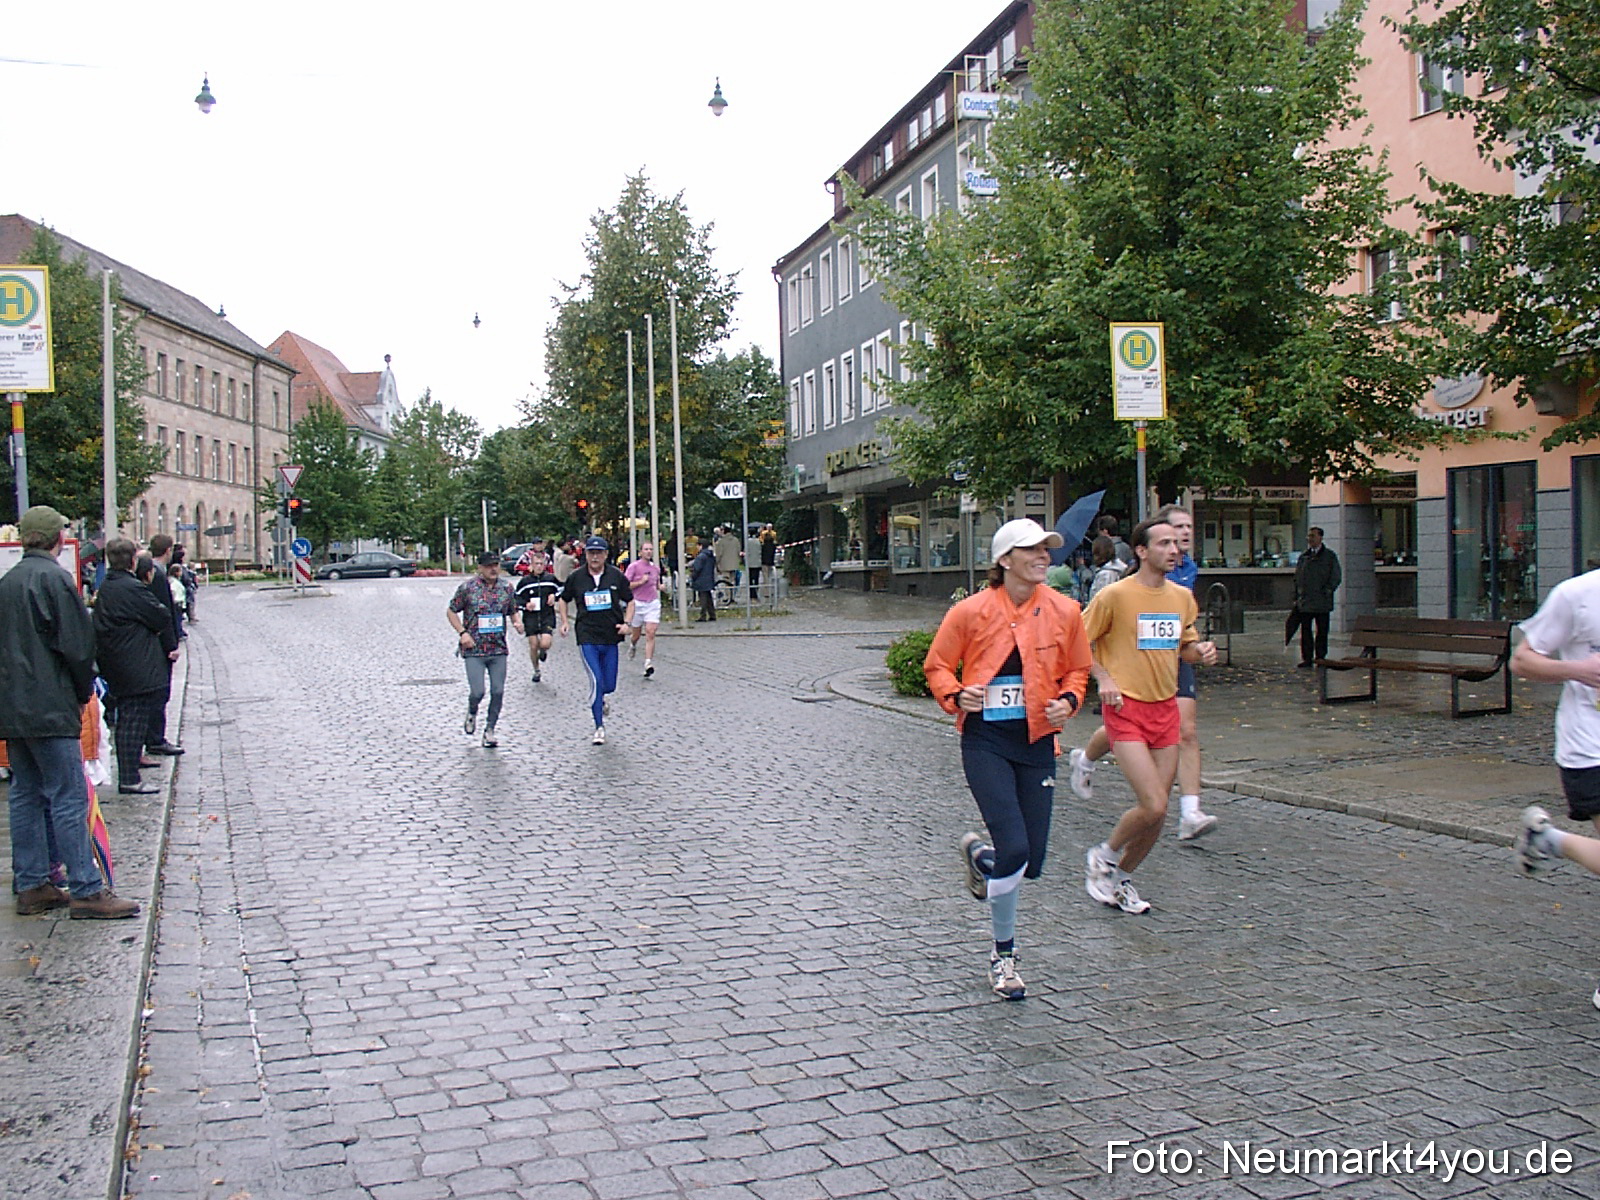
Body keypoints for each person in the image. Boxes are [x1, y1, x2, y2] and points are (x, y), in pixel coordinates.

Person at [924, 519, 1091, 1000]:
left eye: (1046, 549)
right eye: (1032, 550)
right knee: (1015, 847)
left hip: (1037, 744)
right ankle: (1004, 957)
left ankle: (982, 858)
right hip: (986, 743)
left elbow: (1078, 669)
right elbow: (937, 665)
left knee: (1030, 862)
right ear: (1004, 560)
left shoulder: (1065, 610)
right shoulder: (970, 612)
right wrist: (957, 695)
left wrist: (1069, 701)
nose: (1043, 557)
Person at [1, 506, 139, 919]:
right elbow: (78, 647)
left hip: (14, 708)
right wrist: (84, 693)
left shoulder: (7, 582)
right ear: (57, 540)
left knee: (25, 793)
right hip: (50, 705)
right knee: (68, 795)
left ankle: (32, 883)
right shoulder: (56, 580)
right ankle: (85, 887)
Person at [1080, 518, 1217, 914]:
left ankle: (1121, 878)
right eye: (1164, 544)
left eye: (1177, 543)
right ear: (1141, 551)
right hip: (1125, 708)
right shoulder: (1115, 596)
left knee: (1157, 815)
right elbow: (1077, 643)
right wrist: (1103, 678)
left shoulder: (1182, 598)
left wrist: (1200, 652)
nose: (1174, 550)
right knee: (1154, 803)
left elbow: (1184, 648)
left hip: (1165, 707)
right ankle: (1103, 856)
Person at [93, 538, 180, 795]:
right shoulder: (130, 587)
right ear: (132, 560)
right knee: (133, 720)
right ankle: (130, 777)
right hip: (135, 663)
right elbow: (160, 615)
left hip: (120, 660)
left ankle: (130, 773)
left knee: (129, 719)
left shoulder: (109, 584)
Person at [558, 535, 635, 745]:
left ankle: (601, 699)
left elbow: (630, 601)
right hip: (587, 636)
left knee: (609, 684)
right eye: (591, 553)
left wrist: (627, 623)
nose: (594, 557)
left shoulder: (616, 576)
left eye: (598, 553)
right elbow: (563, 600)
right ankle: (599, 726)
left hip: (610, 636)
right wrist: (564, 622)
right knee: (596, 680)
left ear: (605, 555)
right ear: (585, 554)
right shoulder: (577, 577)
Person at [447, 552, 518, 747]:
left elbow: (512, 610)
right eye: (488, 566)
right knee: (478, 692)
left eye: (496, 565)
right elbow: (451, 611)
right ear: (480, 568)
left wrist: (517, 622)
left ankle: (490, 730)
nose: (493, 569)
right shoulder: (468, 588)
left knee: (498, 691)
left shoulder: (506, 588)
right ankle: (472, 711)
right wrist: (462, 633)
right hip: (475, 649)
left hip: (498, 649)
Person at [141, 534, 184, 758]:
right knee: (160, 693)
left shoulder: (153, 571)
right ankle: (156, 739)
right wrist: (171, 644)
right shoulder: (157, 574)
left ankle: (154, 737)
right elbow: (163, 612)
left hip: (153, 643)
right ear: (168, 551)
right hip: (159, 645)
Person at [1294, 526, 1342, 667]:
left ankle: (1321, 657)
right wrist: (1297, 595)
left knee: (1322, 631)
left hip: (1322, 601)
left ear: (1320, 537)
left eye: (1313, 536)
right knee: (1306, 631)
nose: (1310, 539)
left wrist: (1327, 591)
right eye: (1309, 536)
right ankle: (1307, 658)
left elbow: (1336, 576)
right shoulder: (1304, 557)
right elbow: (1297, 577)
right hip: (1306, 601)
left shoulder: (1329, 556)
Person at [512, 546, 560, 683]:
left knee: (545, 643)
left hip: (547, 615)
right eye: (536, 564)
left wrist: (554, 596)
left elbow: (562, 590)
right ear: (531, 565)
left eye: (541, 564)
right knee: (533, 645)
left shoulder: (551, 579)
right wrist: (525, 604)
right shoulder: (525, 582)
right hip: (531, 617)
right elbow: (516, 598)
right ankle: (536, 670)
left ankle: (543, 650)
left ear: (545, 565)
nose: (539, 566)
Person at [624, 540, 662, 677]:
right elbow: (625, 585)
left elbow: (656, 584)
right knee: (636, 635)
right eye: (646, 549)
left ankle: (648, 663)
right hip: (637, 604)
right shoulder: (633, 567)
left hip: (652, 603)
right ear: (640, 552)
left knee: (650, 632)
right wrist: (640, 582)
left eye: (651, 549)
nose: (649, 552)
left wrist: (661, 587)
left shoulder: (656, 568)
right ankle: (633, 644)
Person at [690, 535, 718, 622]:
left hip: (701, 579)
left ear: (700, 546)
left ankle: (703, 616)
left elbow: (697, 568)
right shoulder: (710, 555)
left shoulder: (700, 556)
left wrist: (693, 576)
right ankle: (712, 614)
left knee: (703, 598)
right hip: (709, 578)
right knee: (708, 598)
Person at [714, 525, 742, 591]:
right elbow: (739, 551)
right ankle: (732, 595)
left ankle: (728, 595)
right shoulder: (736, 540)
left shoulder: (721, 541)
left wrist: (716, 563)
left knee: (726, 581)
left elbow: (719, 554)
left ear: (724, 531)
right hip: (734, 564)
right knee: (732, 581)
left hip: (724, 565)